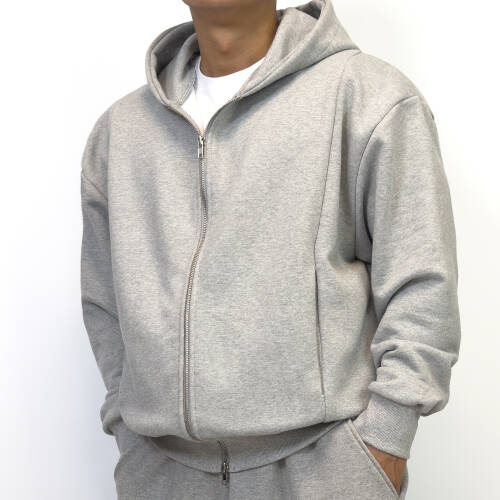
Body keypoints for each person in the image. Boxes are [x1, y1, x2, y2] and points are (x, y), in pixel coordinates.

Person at [79, 0, 461, 498]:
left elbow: (422, 282)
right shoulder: (121, 130)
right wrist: (128, 426)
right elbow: (104, 301)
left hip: (323, 470)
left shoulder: (368, 97)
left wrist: (385, 438)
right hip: (161, 475)